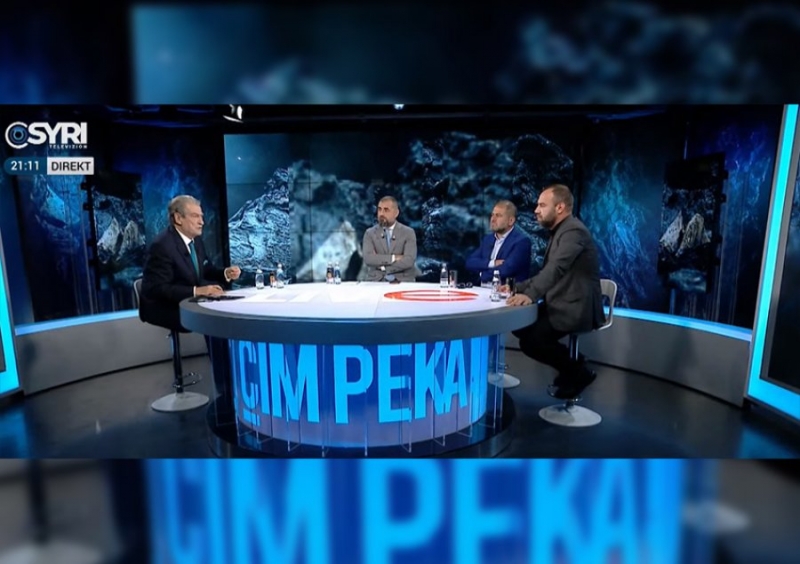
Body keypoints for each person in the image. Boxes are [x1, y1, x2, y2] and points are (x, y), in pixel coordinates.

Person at [505, 184, 605, 399]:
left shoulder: (574, 231)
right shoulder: (561, 230)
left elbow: (556, 268)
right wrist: (516, 288)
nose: (536, 210)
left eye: (542, 205)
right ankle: (573, 365)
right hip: (560, 302)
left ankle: (578, 371)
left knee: (532, 342)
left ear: (560, 207)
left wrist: (530, 295)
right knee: (519, 325)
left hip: (575, 307)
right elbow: (547, 272)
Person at [139, 195, 241, 405]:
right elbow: (157, 289)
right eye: (195, 216)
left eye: (201, 216)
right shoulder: (162, 246)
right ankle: (226, 392)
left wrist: (225, 273)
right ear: (178, 218)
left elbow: (205, 269)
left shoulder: (195, 241)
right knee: (215, 322)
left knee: (223, 313)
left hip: (185, 300)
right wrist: (197, 290)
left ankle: (233, 384)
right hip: (163, 307)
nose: (202, 221)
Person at [466, 199, 532, 285]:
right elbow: (470, 262)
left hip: (506, 291)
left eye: (498, 215)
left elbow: (507, 269)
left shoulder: (522, 242)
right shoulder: (488, 239)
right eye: (492, 215)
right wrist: (492, 263)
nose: (492, 219)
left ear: (511, 221)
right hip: (482, 289)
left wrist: (482, 274)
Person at [362, 195, 419, 282]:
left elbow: (409, 260)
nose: (381, 213)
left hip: (402, 280)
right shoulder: (369, 233)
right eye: (379, 209)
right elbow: (369, 259)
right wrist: (393, 258)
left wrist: (384, 267)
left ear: (396, 213)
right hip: (376, 281)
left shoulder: (408, 233)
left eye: (386, 210)